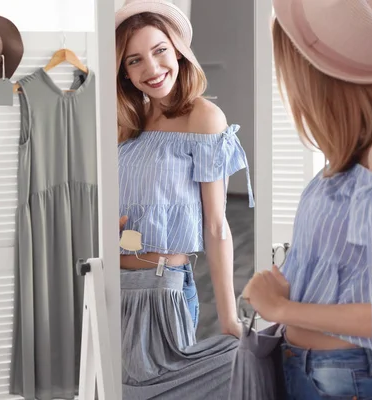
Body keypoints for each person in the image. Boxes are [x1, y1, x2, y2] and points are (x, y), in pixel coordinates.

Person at [243, 0, 372, 399]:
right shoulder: (356, 149)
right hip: (312, 374)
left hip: (346, 383)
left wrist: (283, 309)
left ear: (310, 72)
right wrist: (286, 287)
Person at [114, 0, 254, 398]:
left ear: (177, 50)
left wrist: (228, 316)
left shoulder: (204, 118)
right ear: (124, 72)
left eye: (160, 51)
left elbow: (216, 224)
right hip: (114, 288)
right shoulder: (127, 121)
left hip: (163, 290)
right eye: (135, 60)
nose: (152, 69)